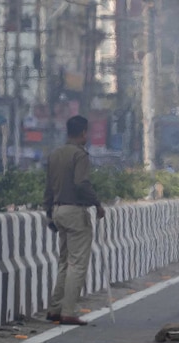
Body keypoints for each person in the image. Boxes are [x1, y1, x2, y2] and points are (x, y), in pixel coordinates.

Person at [43, 115, 105, 326]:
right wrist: (96, 203)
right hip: (75, 212)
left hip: (58, 209)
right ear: (83, 133)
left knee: (63, 261)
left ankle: (55, 308)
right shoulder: (80, 155)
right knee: (77, 264)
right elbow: (81, 183)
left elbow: (48, 187)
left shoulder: (55, 154)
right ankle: (69, 311)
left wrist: (49, 212)